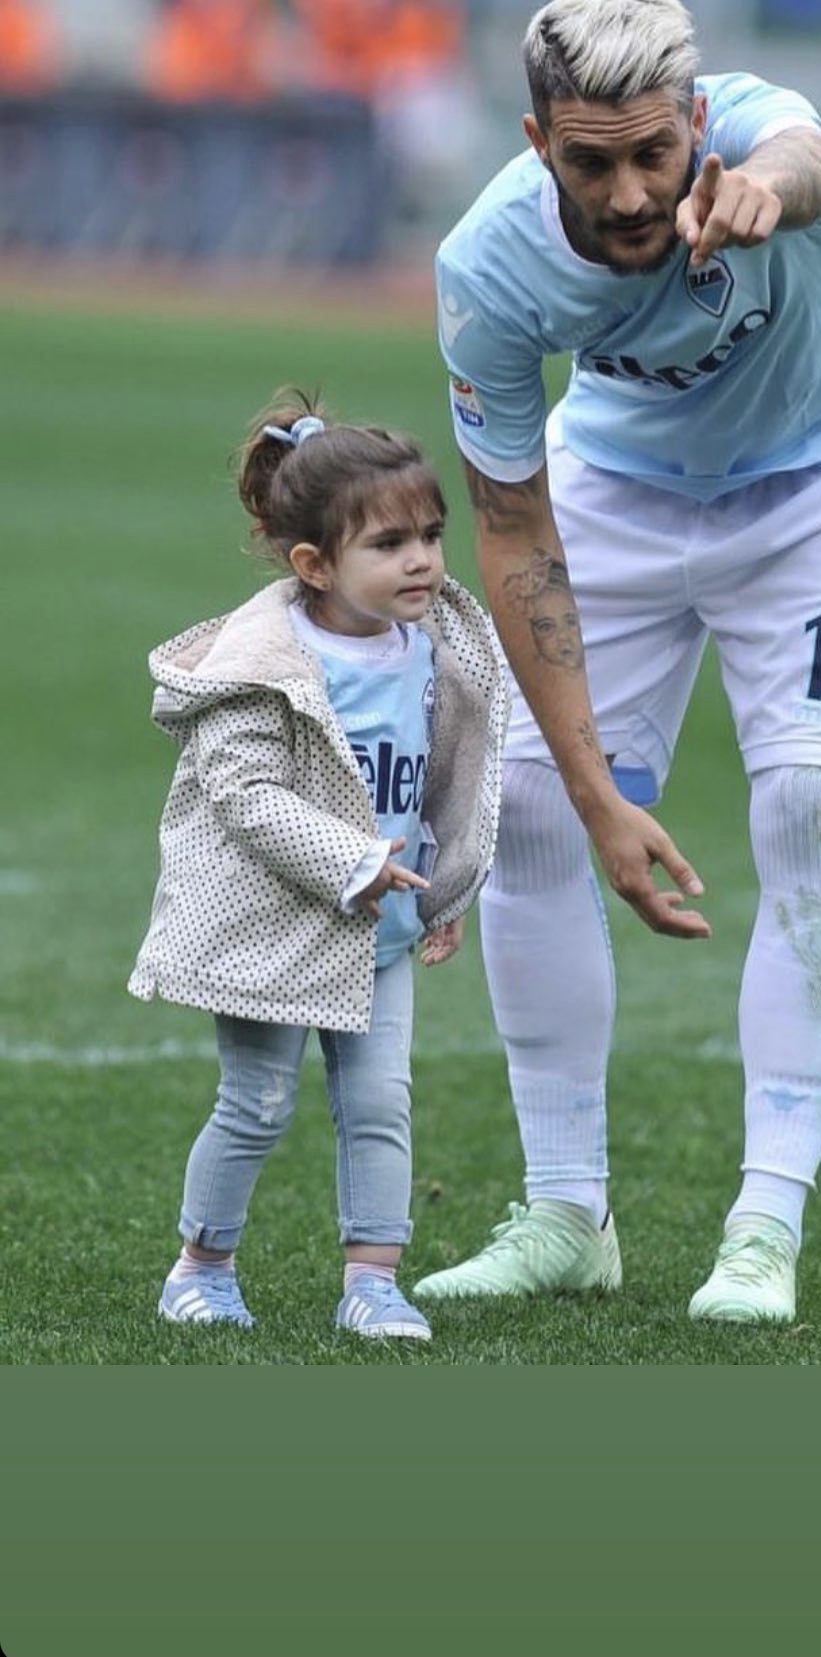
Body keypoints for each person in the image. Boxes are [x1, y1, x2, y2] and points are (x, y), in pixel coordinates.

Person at [417, 0, 821, 1324]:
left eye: (657, 152)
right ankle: (564, 1213)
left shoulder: (763, 138)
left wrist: (764, 186)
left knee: (807, 802)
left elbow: (812, 157)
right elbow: (512, 528)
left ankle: (763, 1231)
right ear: (537, 143)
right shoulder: (488, 268)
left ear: (696, 119)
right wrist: (598, 795)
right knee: (529, 803)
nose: (634, 192)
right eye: (590, 163)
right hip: (619, 490)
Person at [129, 393, 508, 1341]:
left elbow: (442, 782)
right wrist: (351, 861)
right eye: (388, 543)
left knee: (380, 1104)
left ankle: (372, 1282)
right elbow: (245, 793)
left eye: (430, 535)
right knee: (256, 1104)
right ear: (314, 565)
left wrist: (447, 887)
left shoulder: (429, 650)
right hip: (275, 926)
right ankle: (200, 1268)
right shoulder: (262, 663)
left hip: (382, 932)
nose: (421, 560)